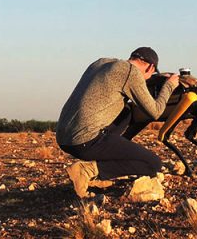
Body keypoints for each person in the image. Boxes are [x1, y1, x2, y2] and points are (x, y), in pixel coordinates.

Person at [56, 47, 179, 198]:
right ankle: (87, 170)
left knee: (127, 112)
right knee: (153, 164)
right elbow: (155, 111)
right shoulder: (130, 73)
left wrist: (156, 78)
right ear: (150, 68)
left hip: (64, 138)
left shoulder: (101, 63)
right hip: (84, 141)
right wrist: (169, 86)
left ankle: (102, 169)